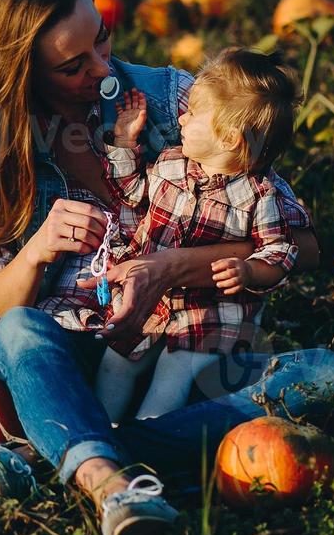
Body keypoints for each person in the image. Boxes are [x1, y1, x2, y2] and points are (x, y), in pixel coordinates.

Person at [0, 0, 334, 535]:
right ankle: (112, 483)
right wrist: (39, 250)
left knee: (328, 377)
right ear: (20, 75)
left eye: (101, 38)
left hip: (184, 345)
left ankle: (85, 454)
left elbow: (299, 246)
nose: (102, 70)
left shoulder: (173, 99)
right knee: (20, 332)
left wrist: (172, 268)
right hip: (76, 353)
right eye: (74, 65)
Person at [89, 48, 301, 425]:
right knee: (115, 362)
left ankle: (148, 440)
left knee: (173, 375)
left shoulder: (258, 196)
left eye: (193, 114)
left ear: (230, 137)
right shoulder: (171, 164)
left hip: (208, 315)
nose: (181, 118)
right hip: (153, 304)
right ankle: (102, 429)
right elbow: (132, 193)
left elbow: (281, 251)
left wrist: (250, 272)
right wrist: (124, 143)